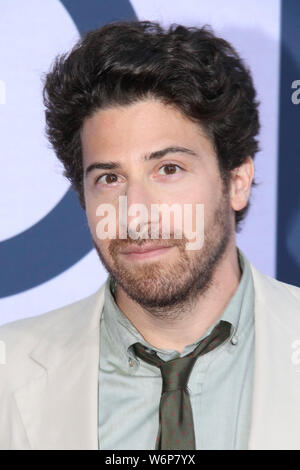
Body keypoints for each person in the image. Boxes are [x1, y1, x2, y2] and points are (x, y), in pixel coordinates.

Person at [0, 20, 299, 451]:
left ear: (236, 180)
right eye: (109, 178)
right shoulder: (12, 372)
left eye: (169, 169)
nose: (135, 213)